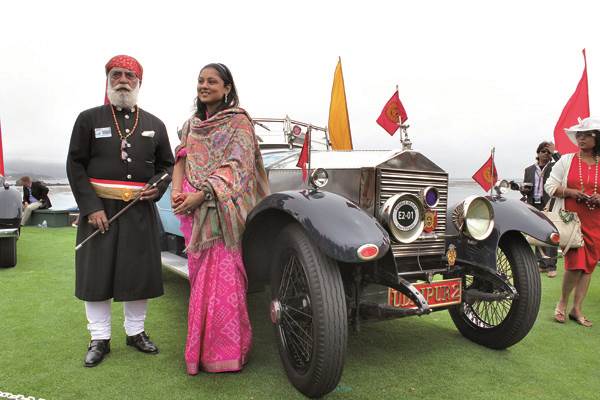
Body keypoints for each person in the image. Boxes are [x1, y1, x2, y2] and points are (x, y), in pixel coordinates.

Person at [66, 55, 174, 367]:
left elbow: (168, 165)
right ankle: (99, 338)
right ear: (108, 79)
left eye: (129, 75)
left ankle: (136, 333)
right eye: (116, 75)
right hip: (100, 210)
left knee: (138, 273)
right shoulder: (88, 119)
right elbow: (75, 165)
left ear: (139, 82)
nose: (122, 80)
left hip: (139, 209)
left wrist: (158, 186)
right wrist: (90, 208)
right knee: (96, 274)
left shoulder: (155, 124)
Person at [171, 63, 269, 375]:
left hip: (225, 211)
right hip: (192, 213)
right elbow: (181, 160)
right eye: (200, 80)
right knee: (200, 279)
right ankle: (200, 351)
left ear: (227, 88)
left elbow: (237, 166)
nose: (204, 85)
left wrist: (201, 195)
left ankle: (228, 352)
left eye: (212, 81)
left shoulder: (238, 122)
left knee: (226, 280)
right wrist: (177, 193)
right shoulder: (191, 125)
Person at [546, 117, 600, 327]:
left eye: (586, 134)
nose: (581, 138)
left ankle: (577, 309)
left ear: (597, 137)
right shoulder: (566, 160)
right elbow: (550, 187)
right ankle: (562, 302)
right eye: (579, 135)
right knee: (575, 264)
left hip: (596, 221)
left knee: (588, 266)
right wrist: (571, 192)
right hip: (572, 221)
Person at [521, 141, 560, 277]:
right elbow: (526, 190)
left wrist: (555, 153)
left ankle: (551, 266)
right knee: (538, 233)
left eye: (548, 152)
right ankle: (541, 264)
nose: (546, 154)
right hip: (534, 204)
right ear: (538, 153)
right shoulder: (529, 170)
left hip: (549, 203)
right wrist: (523, 190)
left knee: (552, 234)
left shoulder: (555, 167)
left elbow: (562, 164)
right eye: (543, 151)